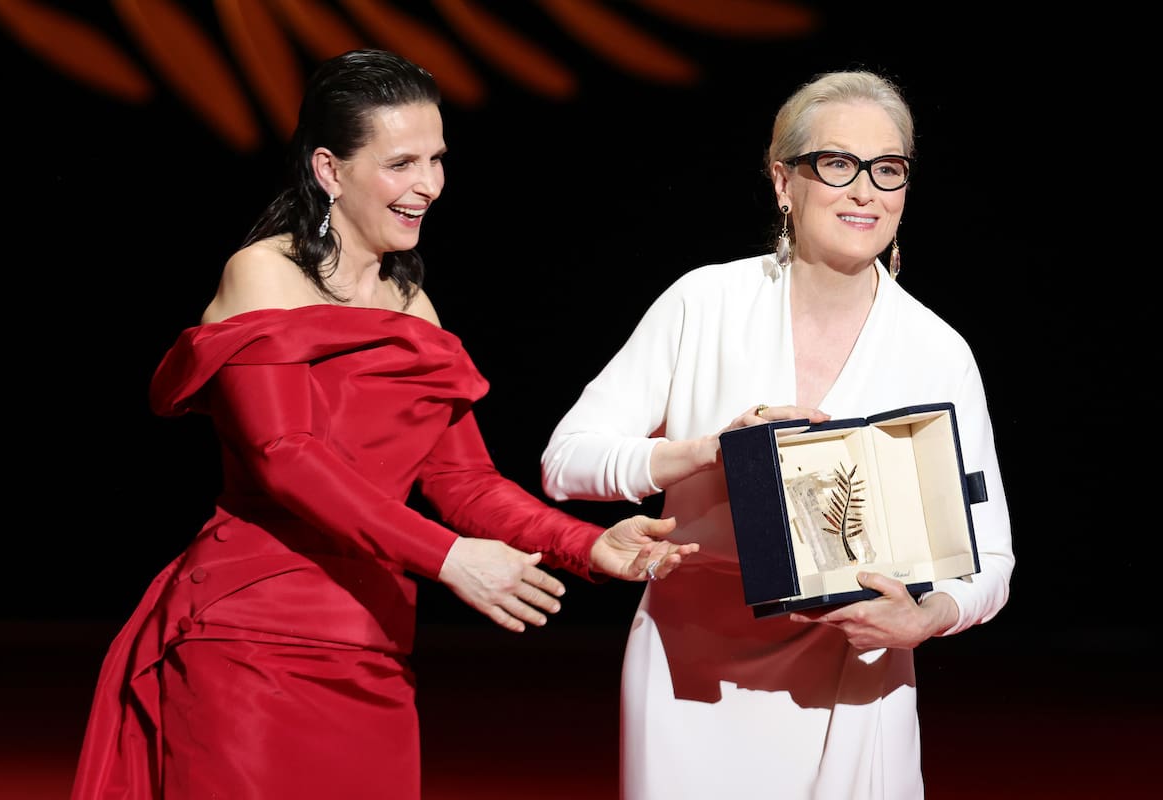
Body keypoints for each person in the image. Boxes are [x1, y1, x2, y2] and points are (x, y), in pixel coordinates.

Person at [70, 48, 698, 800]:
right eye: (401, 163)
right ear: (330, 171)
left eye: (436, 159)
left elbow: (464, 481)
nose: (429, 184)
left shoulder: (414, 309)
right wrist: (448, 557)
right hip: (249, 635)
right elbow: (285, 456)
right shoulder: (264, 273)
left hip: (372, 644)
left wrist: (587, 545)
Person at [540, 69, 1014, 799]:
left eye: (887, 169)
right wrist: (708, 452)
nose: (865, 191)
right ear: (783, 181)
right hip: (689, 672)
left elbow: (989, 559)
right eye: (838, 163)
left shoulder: (937, 350)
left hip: (855, 679)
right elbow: (566, 460)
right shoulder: (705, 303)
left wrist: (924, 617)